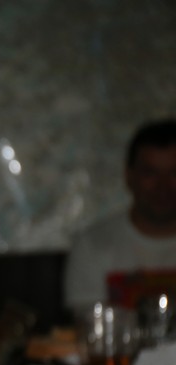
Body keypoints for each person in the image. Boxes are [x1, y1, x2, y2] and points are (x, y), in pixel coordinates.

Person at [65, 119, 176, 312]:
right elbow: (89, 323)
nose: (163, 187)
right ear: (129, 176)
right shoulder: (92, 245)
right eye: (150, 173)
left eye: (174, 173)